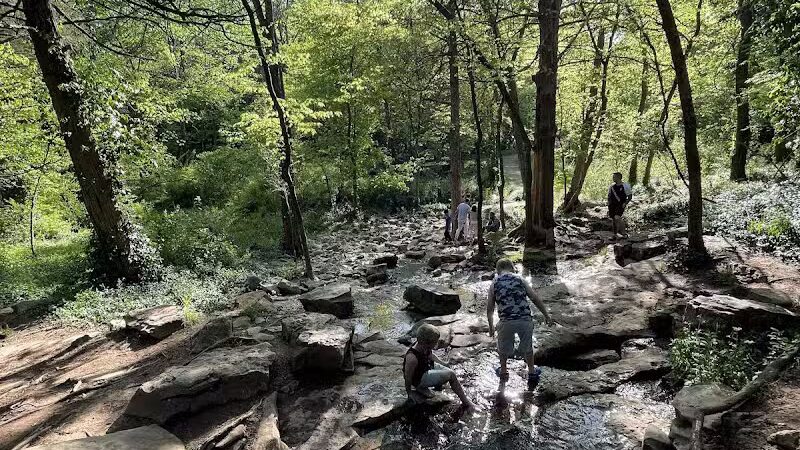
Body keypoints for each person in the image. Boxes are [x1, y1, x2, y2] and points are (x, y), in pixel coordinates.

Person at [487, 258, 555, 390]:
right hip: (525, 320)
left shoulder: (494, 282)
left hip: (506, 322)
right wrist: (547, 315)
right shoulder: (520, 279)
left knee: (502, 348)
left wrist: (491, 327)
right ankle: (531, 372)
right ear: (512, 268)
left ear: (498, 270)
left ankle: (503, 371)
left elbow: (490, 308)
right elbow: (534, 298)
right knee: (528, 347)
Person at [403, 324, 476, 410]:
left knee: (448, 369)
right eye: (434, 342)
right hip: (419, 378)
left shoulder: (423, 346)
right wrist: (409, 393)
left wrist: (444, 363)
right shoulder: (412, 358)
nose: (436, 344)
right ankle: (466, 402)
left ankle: (434, 387)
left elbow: (431, 355)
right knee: (451, 374)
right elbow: (408, 376)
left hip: (426, 367)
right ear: (424, 342)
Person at [608, 172, 633, 239]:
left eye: (614, 177)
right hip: (612, 205)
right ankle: (614, 235)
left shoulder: (626, 185)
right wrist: (608, 204)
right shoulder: (612, 186)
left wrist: (625, 203)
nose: (613, 178)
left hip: (620, 204)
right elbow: (609, 196)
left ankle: (624, 233)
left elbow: (630, 196)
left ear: (618, 177)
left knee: (617, 217)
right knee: (613, 219)